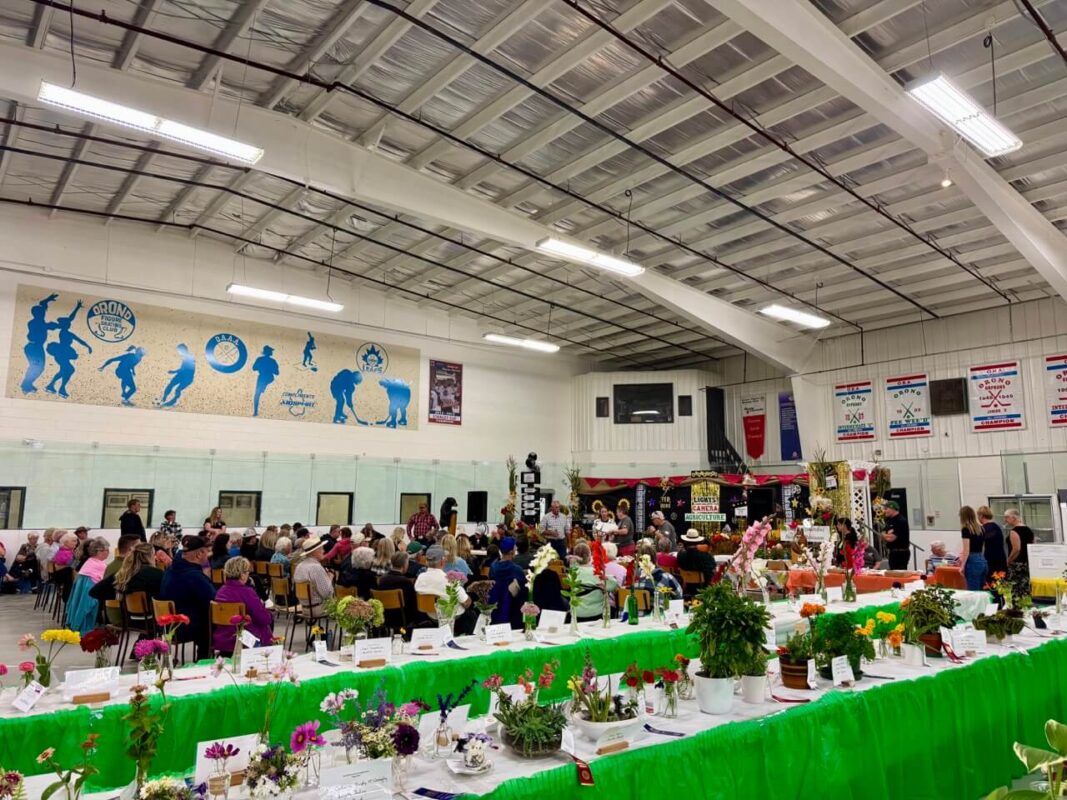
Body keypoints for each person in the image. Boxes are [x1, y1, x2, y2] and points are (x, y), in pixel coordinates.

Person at [160, 535, 216, 660]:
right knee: (218, 621)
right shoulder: (194, 576)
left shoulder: (170, 571)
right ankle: (206, 660)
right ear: (200, 553)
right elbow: (213, 601)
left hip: (168, 625)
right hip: (186, 626)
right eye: (207, 552)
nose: (208, 556)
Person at [213, 556, 274, 655]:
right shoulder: (247, 592)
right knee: (268, 620)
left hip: (223, 639)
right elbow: (263, 619)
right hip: (245, 641)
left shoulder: (220, 591)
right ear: (242, 575)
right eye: (247, 571)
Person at [415, 545, 473, 631]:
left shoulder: (420, 578)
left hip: (429, 616)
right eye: (444, 558)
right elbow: (466, 602)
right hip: (452, 619)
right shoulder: (449, 580)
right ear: (442, 561)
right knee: (471, 614)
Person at [66, 537, 110, 635]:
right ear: (99, 551)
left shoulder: (90, 561)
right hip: (90, 595)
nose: (108, 553)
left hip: (84, 592)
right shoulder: (101, 565)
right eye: (107, 550)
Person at [570, 542, 618, 622]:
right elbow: (613, 585)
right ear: (589, 556)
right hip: (597, 614)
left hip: (576, 614)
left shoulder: (571, 574)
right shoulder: (597, 573)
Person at [487, 537, 528, 628]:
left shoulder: (493, 567)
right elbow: (524, 588)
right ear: (511, 552)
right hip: (512, 611)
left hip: (495, 607)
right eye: (514, 549)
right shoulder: (516, 569)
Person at [293, 537, 334, 615]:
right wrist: (330, 578)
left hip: (304, 608)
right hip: (317, 609)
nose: (324, 551)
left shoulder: (299, 566)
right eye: (321, 549)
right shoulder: (316, 567)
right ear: (314, 552)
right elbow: (327, 594)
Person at [378, 551, 418, 628]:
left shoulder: (382, 580)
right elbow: (412, 603)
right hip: (402, 617)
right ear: (404, 565)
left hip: (385, 616)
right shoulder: (405, 582)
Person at [957, 506, 988, 591]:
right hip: (982, 559)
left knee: (973, 591)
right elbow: (983, 547)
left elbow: (966, 550)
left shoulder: (966, 529)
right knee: (981, 590)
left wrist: (962, 566)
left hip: (972, 560)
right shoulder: (981, 528)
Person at [1004, 508, 1035, 593]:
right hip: (1026, 563)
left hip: (1016, 564)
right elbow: (1032, 545)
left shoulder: (1014, 531)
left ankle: (1016, 606)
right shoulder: (1029, 530)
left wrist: (1008, 560)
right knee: (1025, 589)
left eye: (1007, 517)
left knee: (1015, 589)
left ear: (1014, 518)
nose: (1005, 520)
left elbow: (1016, 549)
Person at [159, 343, 195, 408]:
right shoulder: (185, 357)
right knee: (171, 385)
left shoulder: (189, 357)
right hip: (181, 375)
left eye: (180, 350)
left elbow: (185, 369)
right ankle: (164, 398)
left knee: (178, 389)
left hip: (187, 377)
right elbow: (183, 368)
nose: (179, 352)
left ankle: (173, 401)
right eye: (179, 351)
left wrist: (174, 371)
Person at [978, 505, 1008, 577]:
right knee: (1001, 584)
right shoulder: (997, 527)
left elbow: (981, 547)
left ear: (981, 516)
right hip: (1001, 558)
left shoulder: (982, 529)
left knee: (989, 584)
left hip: (990, 560)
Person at [881, 501, 911, 570]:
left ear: (893, 509)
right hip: (892, 552)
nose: (884, 511)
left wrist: (885, 536)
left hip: (901, 553)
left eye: (886, 509)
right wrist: (886, 535)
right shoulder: (889, 520)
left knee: (899, 574)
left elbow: (891, 539)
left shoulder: (901, 521)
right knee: (892, 573)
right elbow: (882, 534)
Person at [251, 345, 279, 417]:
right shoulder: (270, 361)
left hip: (267, 378)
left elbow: (277, 372)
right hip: (264, 377)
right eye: (271, 351)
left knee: (257, 393)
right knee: (257, 394)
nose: (272, 352)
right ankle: (255, 412)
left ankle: (263, 387)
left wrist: (267, 368)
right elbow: (254, 368)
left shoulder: (268, 360)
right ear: (268, 352)